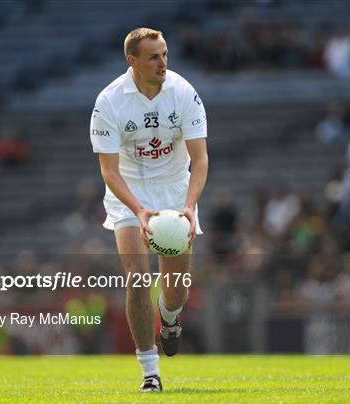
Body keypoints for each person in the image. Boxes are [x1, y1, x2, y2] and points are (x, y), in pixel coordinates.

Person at [89, 28, 208, 392]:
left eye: (165, 54)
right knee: (138, 277)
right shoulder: (109, 101)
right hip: (129, 193)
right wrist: (139, 210)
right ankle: (149, 371)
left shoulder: (183, 92)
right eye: (154, 56)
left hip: (174, 191)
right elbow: (108, 170)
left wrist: (188, 207)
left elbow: (200, 159)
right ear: (133, 61)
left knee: (175, 292)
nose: (163, 63)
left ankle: (170, 318)